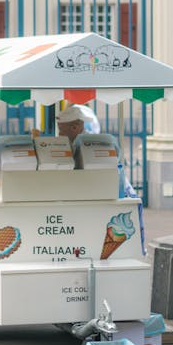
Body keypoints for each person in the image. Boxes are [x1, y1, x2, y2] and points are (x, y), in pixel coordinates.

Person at [56, 104, 147, 255]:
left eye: (61, 130)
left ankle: (139, 251)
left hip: (120, 191)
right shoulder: (75, 143)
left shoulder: (86, 142)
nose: (59, 135)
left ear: (75, 127)